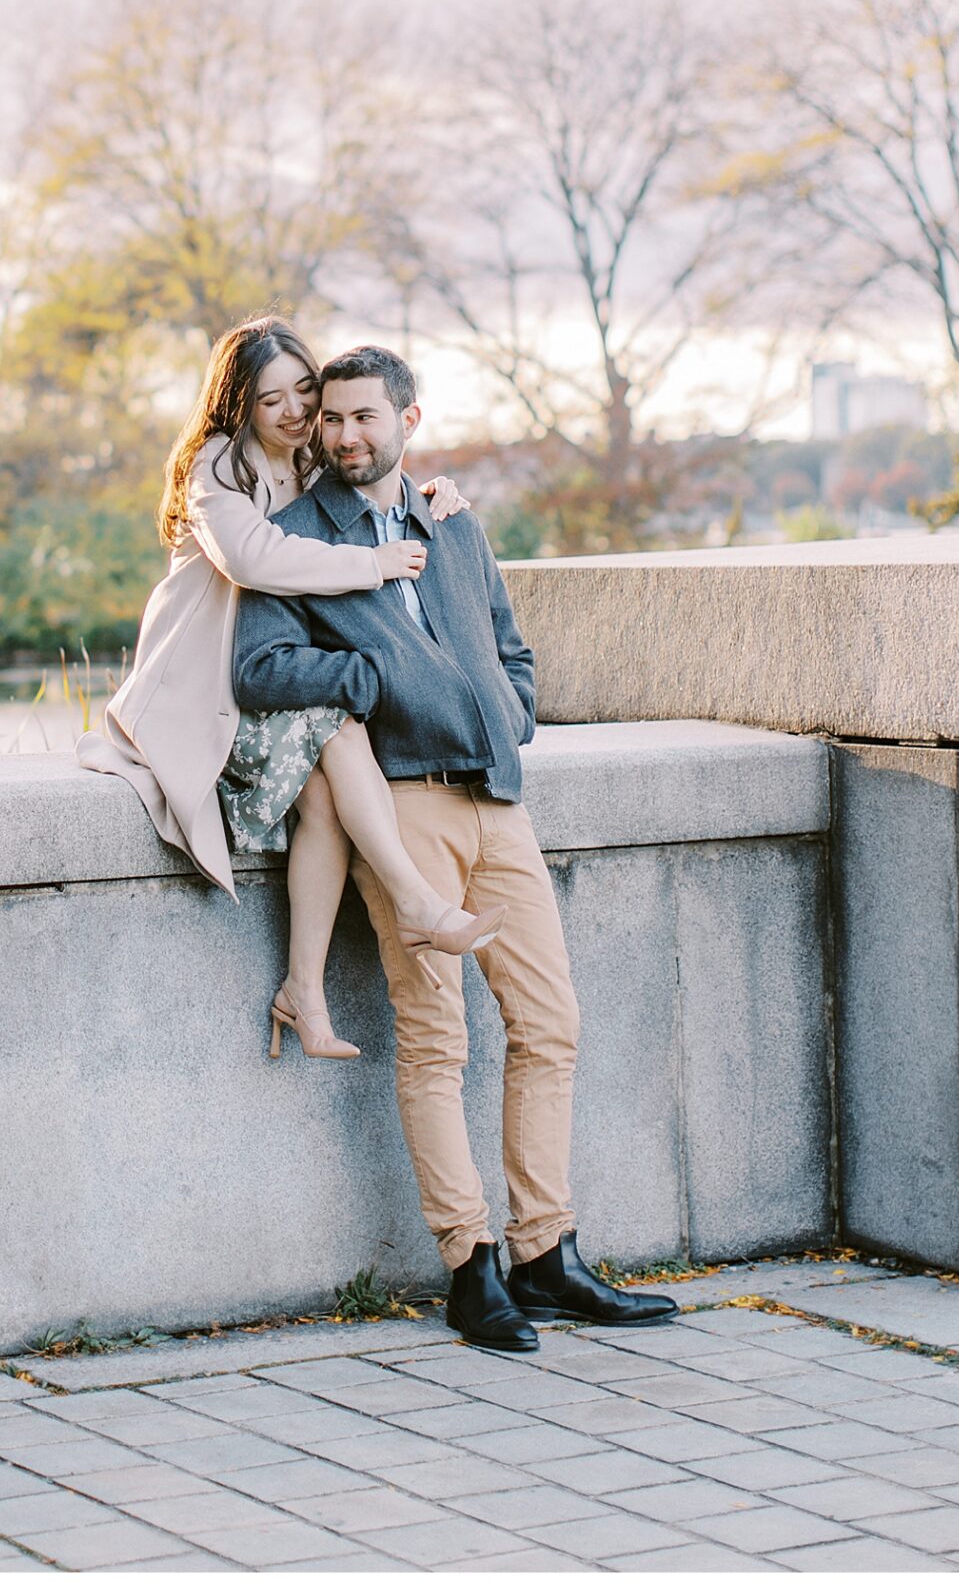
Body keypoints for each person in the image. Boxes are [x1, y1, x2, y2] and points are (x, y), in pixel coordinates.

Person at [232, 343, 679, 1354]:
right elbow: (258, 667)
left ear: (408, 420)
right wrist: (376, 683)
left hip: (496, 800)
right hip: (399, 808)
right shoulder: (291, 537)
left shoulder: (453, 522)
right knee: (436, 1040)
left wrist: (504, 709)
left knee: (550, 1024)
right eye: (331, 417)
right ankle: (470, 1267)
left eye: (365, 417)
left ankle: (545, 1253)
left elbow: (508, 644)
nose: (346, 433)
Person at [76, 316, 505, 1061]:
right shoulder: (218, 466)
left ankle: (302, 991)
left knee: (322, 800)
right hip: (204, 684)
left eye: (304, 390)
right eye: (269, 399)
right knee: (336, 728)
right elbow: (254, 558)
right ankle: (413, 901)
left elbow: (373, 481)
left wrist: (431, 492)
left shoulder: (311, 459)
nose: (295, 411)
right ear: (236, 405)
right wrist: (375, 565)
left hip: (273, 682)